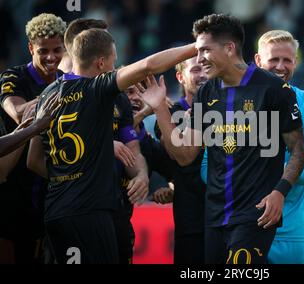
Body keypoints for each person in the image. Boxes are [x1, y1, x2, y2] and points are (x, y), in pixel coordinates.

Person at [139, 14, 304, 264]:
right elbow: (185, 156)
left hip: (254, 214)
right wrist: (160, 108)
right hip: (214, 216)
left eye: (205, 50)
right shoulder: (207, 92)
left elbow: (299, 151)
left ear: (229, 48)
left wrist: (280, 192)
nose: (200, 58)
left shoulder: (273, 89)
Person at [26, 28, 196, 264]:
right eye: (114, 62)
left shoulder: (46, 96)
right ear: (101, 62)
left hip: (56, 210)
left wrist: (68, 177)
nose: (115, 68)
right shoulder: (96, 88)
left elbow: (33, 160)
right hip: (89, 211)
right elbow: (148, 66)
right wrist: (198, 47)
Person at [200, 30, 304, 264]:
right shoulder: (226, 98)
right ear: (257, 61)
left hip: (290, 235)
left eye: (287, 60)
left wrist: (261, 167)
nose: (280, 66)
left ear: (296, 61)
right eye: (274, 59)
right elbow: (206, 167)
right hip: (237, 223)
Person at [61, 18, 149, 264]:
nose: (114, 62)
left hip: (115, 209)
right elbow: (41, 156)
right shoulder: (56, 95)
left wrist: (141, 175)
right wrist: (102, 146)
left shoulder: (116, 98)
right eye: (110, 55)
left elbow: (133, 148)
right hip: (74, 208)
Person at [0, 13, 66, 264]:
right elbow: (17, 113)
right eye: (43, 51)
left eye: (57, 50)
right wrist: (54, 96)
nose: (51, 57)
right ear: (30, 48)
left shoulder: (66, 82)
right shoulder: (13, 77)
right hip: (10, 185)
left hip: (48, 186)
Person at [153, 56, 208, 264]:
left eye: (206, 68)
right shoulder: (169, 114)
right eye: (195, 70)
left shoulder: (227, 110)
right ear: (180, 77)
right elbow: (176, 155)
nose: (202, 74)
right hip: (191, 220)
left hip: (225, 215)